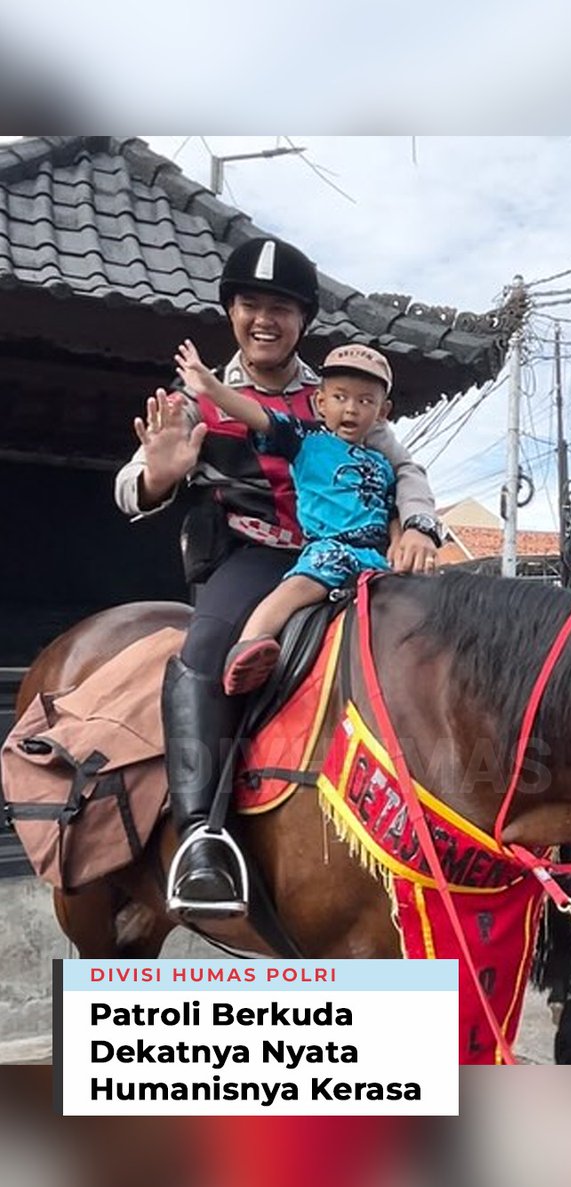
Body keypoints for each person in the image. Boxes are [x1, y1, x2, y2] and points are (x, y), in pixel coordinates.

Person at [115, 236, 444, 920]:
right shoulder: (196, 394)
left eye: (281, 308)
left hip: (354, 551)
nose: (264, 319)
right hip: (255, 558)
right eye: (249, 304)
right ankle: (202, 839)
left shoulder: (339, 396)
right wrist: (157, 476)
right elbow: (128, 486)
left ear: (303, 319)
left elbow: (405, 468)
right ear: (230, 311)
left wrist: (418, 525)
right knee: (204, 652)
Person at [174, 337, 396, 695]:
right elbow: (259, 417)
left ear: (383, 412)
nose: (352, 409)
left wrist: (404, 540)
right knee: (300, 587)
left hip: (375, 560)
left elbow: (392, 508)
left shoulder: (383, 465)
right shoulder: (306, 440)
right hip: (331, 549)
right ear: (320, 402)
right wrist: (212, 388)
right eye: (340, 397)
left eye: (365, 401)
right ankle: (250, 643)